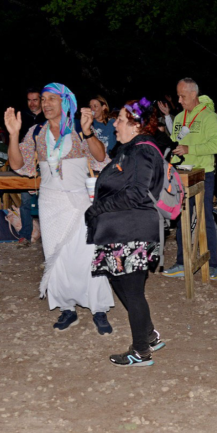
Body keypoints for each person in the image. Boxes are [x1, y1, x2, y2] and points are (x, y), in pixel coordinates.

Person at [5, 82, 114, 335]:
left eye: (51, 99)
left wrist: (88, 133)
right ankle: (67, 309)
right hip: (50, 202)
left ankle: (98, 309)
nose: (45, 104)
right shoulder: (35, 132)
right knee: (56, 256)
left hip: (80, 201)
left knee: (88, 254)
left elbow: (100, 158)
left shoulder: (79, 127)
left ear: (66, 102)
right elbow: (18, 164)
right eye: (43, 99)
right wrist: (13, 134)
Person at [86, 98, 166, 366]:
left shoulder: (143, 150)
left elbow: (138, 193)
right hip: (121, 230)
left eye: (120, 119)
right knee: (119, 280)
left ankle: (141, 350)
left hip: (133, 230)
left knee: (131, 289)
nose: (115, 123)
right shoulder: (130, 149)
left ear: (136, 124)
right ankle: (149, 335)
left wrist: (98, 208)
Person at [162, 78, 217, 280]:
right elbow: (177, 142)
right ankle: (181, 263)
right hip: (182, 174)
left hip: (204, 174)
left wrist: (191, 149)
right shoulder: (179, 117)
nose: (179, 100)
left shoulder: (209, 117)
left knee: (204, 218)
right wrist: (175, 154)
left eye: (183, 96)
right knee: (182, 219)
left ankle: (212, 264)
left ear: (194, 95)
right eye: (178, 96)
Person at [17, 88, 45, 247]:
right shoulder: (22, 117)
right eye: (29, 100)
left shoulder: (47, 117)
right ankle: (25, 234)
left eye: (35, 100)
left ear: (41, 100)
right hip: (27, 164)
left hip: (46, 164)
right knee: (26, 200)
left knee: (46, 199)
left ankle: (46, 235)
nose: (32, 103)